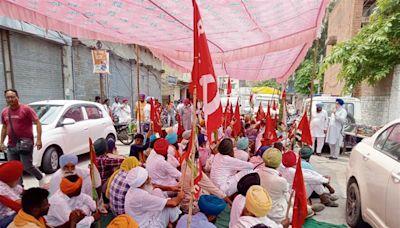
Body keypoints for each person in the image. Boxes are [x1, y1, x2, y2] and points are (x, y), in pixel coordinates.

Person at [0, 89, 45, 186]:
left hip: (25, 143)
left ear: (17, 97)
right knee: (14, 168)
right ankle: (20, 188)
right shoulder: (4, 112)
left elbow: (37, 122)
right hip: (11, 145)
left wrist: (39, 139)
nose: (10, 99)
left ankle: (40, 176)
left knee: (27, 166)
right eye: (8, 97)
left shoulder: (26, 109)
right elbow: (4, 127)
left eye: (12, 97)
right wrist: (1, 142)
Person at [180, 150, 230, 214]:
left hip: (192, 195)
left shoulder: (186, 161)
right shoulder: (193, 172)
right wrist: (227, 200)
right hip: (190, 205)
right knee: (214, 205)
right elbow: (211, 186)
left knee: (209, 193)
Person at [8, 187, 85, 228]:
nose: (49, 206)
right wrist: (73, 223)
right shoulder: (29, 226)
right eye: (45, 205)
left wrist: (70, 220)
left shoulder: (29, 216)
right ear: (35, 209)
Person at [257, 148, 291, 223]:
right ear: (279, 162)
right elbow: (287, 196)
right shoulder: (280, 180)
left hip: (260, 211)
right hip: (276, 214)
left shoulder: (256, 173)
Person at [0, 161, 23, 227]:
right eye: (18, 177)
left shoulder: (7, 181)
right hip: (2, 220)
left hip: (5, 216)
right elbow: (20, 204)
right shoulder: (2, 188)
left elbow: (23, 191)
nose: (19, 179)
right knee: (27, 214)